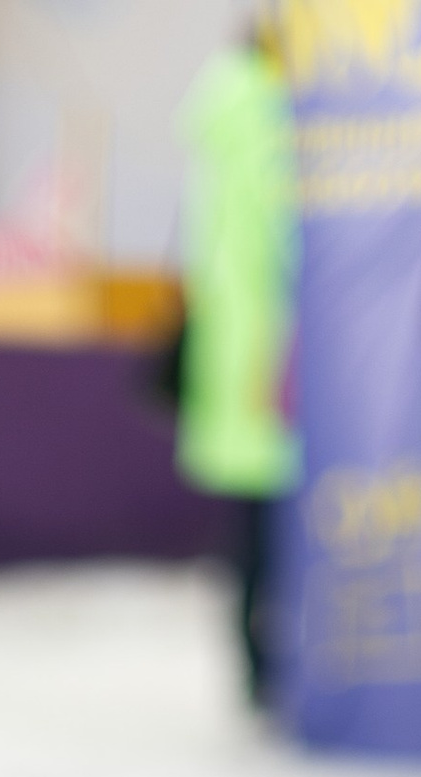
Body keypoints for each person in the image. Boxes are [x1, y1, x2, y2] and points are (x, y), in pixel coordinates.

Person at [174, 8, 302, 709]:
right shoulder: (272, 119)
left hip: (234, 346)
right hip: (275, 350)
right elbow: (285, 240)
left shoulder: (224, 107)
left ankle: (257, 667)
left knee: (250, 530)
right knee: (277, 531)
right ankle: (273, 671)